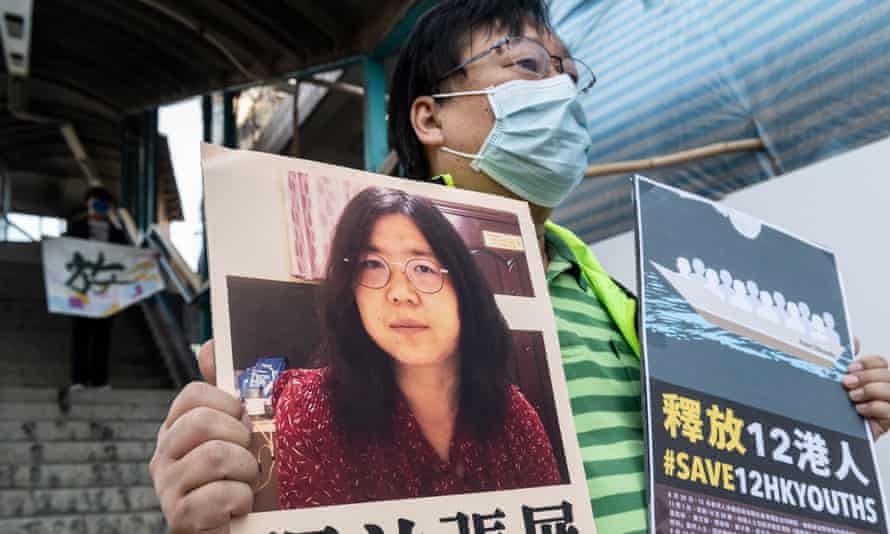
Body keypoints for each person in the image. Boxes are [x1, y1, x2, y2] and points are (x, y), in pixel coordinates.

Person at [150, 1, 890, 532]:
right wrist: (220, 493)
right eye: (528, 67)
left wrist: (824, 425)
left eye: (570, 76)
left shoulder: (620, 299)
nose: (560, 95)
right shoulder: (307, 392)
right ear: (431, 117)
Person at [274, 187, 558, 508]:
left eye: (423, 268)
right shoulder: (311, 407)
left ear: (464, 289)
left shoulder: (513, 413)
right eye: (372, 265)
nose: (399, 293)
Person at [65, 186, 128, 389]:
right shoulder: (75, 229)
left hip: (106, 293)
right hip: (80, 291)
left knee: (103, 337)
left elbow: (127, 259)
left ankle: (100, 380)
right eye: (96, 204)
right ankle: (79, 379)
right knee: (80, 336)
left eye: (103, 205)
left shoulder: (118, 234)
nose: (99, 209)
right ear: (88, 204)